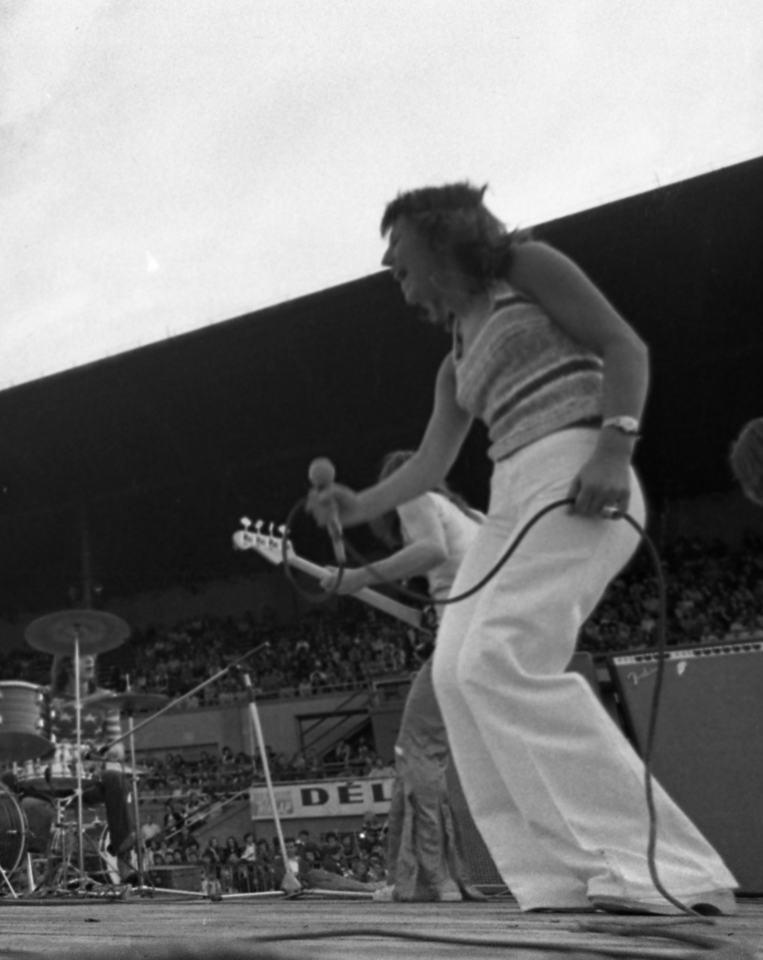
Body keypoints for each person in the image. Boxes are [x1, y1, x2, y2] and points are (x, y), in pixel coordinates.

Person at [309, 183, 736, 915]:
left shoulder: (523, 269)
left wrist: (614, 446)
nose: (388, 265)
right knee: (457, 673)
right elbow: (430, 465)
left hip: (575, 463)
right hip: (511, 492)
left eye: (397, 246)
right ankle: (559, 875)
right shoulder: (454, 356)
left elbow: (623, 346)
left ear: (441, 235)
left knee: (499, 657)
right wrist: (359, 504)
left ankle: (673, 872)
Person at [321, 450, 485, 902]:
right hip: (496, 636)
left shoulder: (415, 497)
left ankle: (431, 880)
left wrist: (360, 575)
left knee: (417, 752)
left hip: (462, 641)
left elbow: (431, 549)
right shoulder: (473, 516)